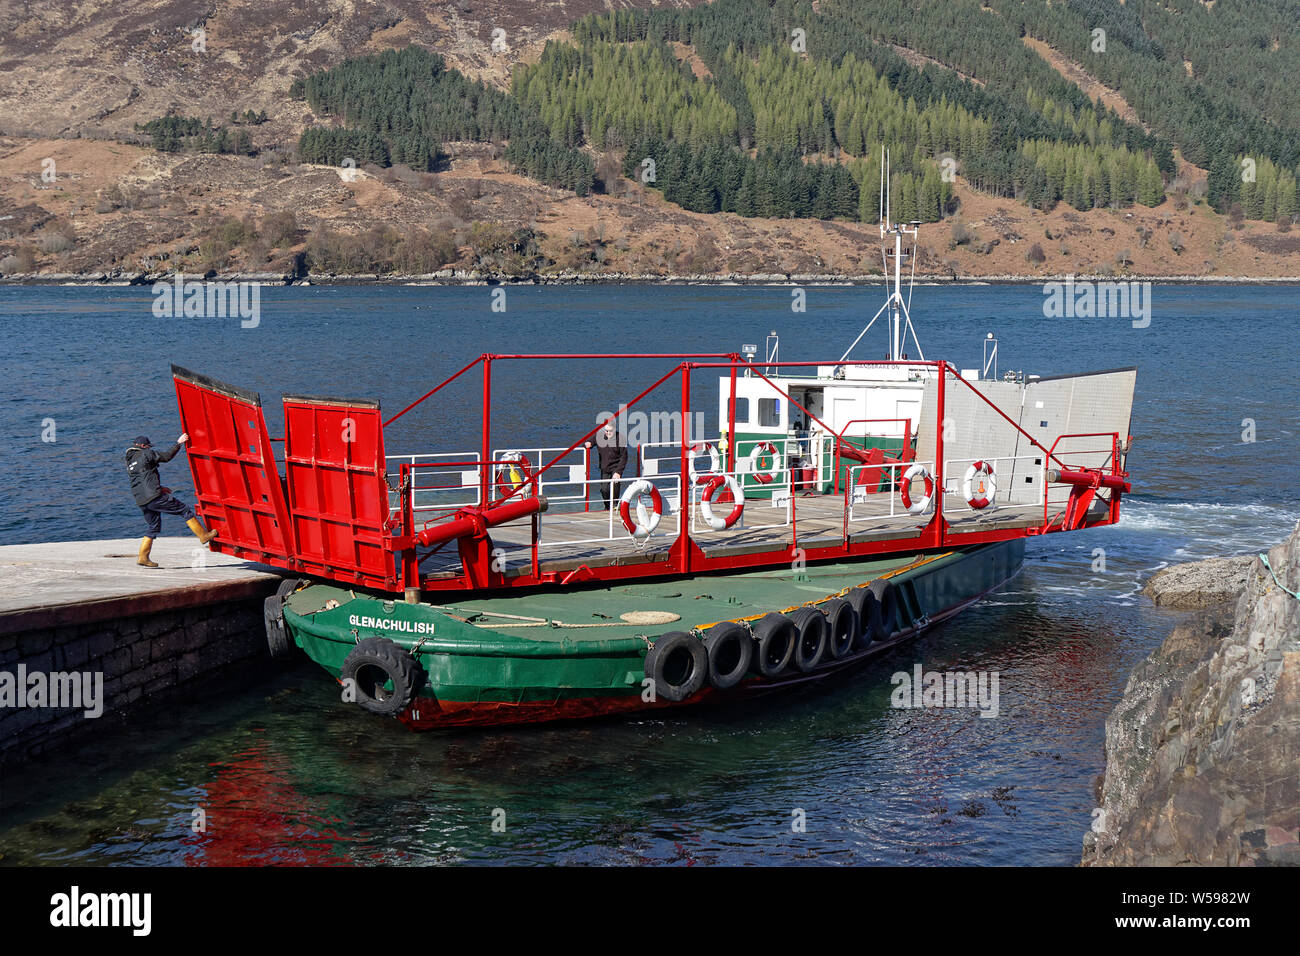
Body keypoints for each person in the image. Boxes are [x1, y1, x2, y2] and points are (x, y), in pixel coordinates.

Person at [126, 433, 217, 568]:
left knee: (153, 527)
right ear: (143, 446)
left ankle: (143, 557)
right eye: (148, 446)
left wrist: (160, 487)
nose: (149, 448)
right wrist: (179, 443)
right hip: (154, 496)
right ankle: (203, 536)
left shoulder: (130, 462)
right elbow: (167, 457)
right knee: (184, 509)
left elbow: (142, 478)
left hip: (142, 501)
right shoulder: (147, 454)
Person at [584, 420, 627, 510]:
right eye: (606, 431)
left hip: (616, 467)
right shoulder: (599, 436)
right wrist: (587, 444)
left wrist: (618, 472)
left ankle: (614, 505)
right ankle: (607, 506)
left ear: (614, 430)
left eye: (610, 431)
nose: (608, 433)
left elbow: (624, 457)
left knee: (615, 486)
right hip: (605, 467)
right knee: (605, 489)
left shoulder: (621, 438)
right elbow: (587, 442)